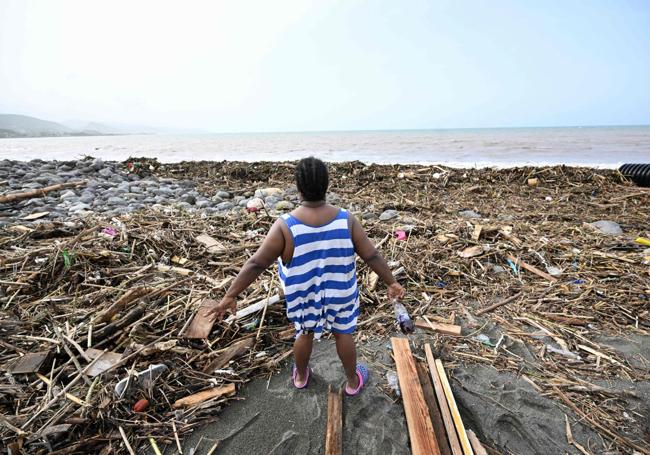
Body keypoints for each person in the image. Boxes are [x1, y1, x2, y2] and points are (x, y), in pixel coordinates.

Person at [207, 157, 404, 395]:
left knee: (305, 332)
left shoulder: (285, 226)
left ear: (299, 188)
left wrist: (231, 295)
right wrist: (391, 282)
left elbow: (257, 262)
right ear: (326, 185)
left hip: (304, 295)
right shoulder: (346, 220)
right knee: (344, 333)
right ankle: (352, 381)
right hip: (340, 291)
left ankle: (301, 376)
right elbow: (371, 255)